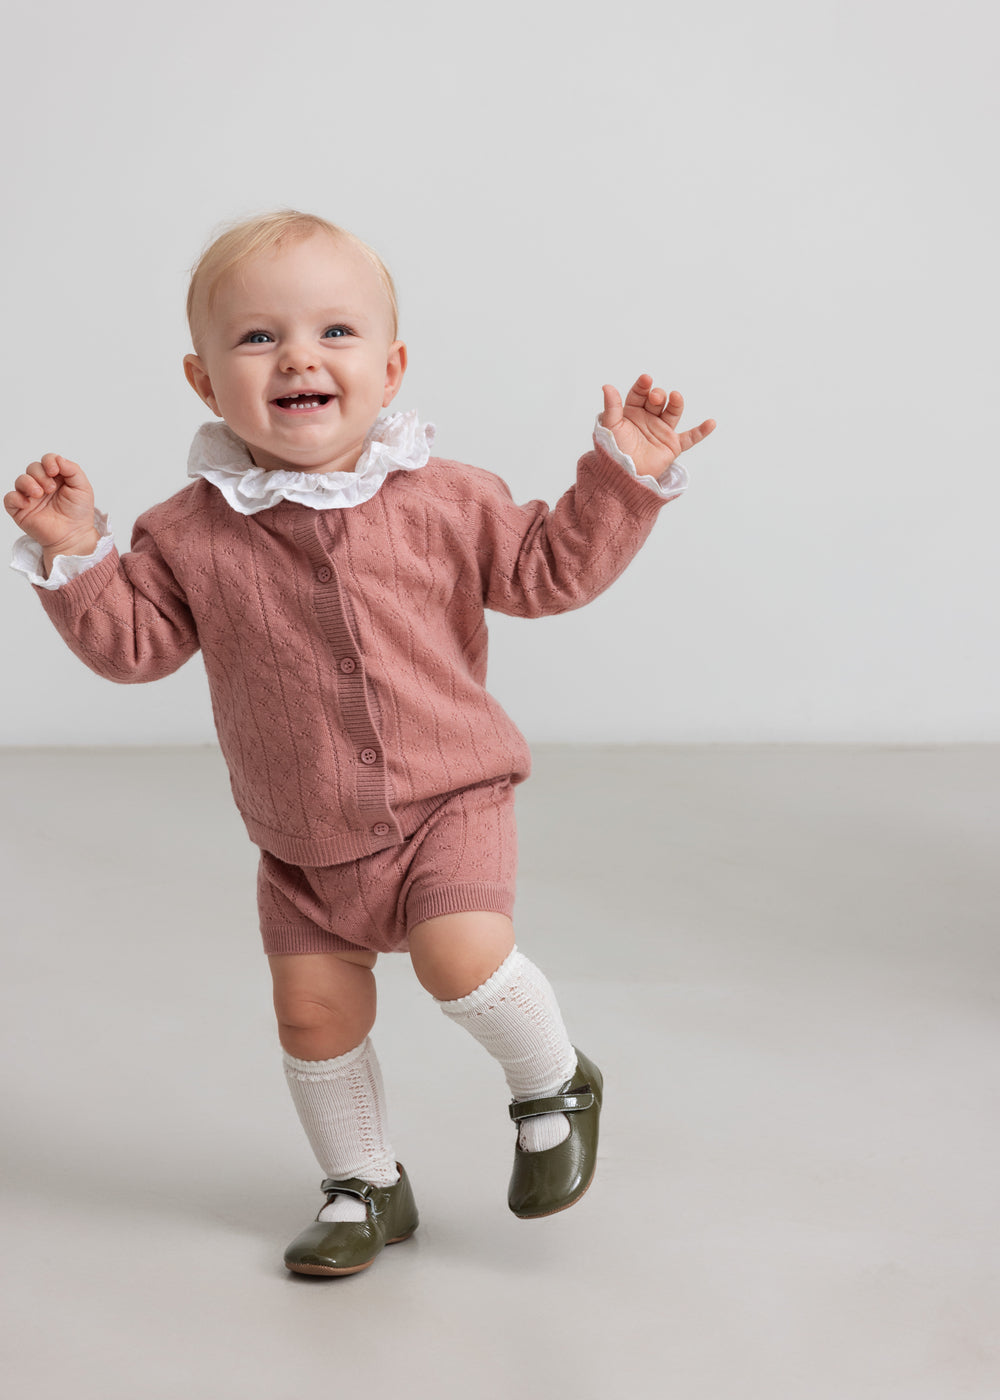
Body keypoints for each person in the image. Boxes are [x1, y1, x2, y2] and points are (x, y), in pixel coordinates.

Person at [5, 210, 716, 1276]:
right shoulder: (187, 532)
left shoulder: (447, 498)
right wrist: (78, 551)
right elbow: (135, 646)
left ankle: (552, 1082)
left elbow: (548, 570)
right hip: (300, 837)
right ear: (205, 382)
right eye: (258, 338)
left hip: (448, 800)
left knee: (458, 957)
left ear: (389, 369)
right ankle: (364, 1184)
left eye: (334, 332)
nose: (298, 356)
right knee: (312, 1016)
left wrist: (620, 478)